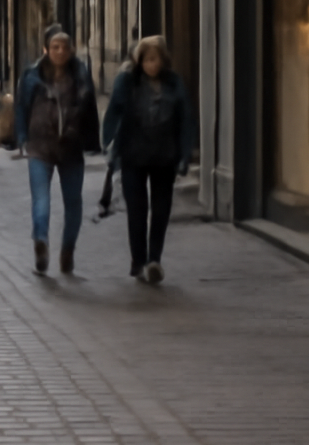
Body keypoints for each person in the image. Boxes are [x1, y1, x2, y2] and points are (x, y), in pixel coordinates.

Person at [102, 36, 197, 284]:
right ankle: (138, 260)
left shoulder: (174, 83)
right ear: (139, 60)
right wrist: (107, 141)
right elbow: (114, 109)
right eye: (146, 59)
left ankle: (154, 260)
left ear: (164, 60)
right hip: (133, 155)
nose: (151, 64)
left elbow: (186, 119)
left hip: (164, 155)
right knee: (137, 209)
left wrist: (185, 154)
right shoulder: (127, 81)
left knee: (161, 210)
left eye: (155, 59)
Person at [15, 28, 100, 275]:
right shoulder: (32, 76)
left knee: (73, 202)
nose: (60, 51)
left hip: (71, 147)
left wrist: (90, 140)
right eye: (55, 47)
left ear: (72, 50)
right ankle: (40, 241)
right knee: (41, 199)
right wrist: (21, 137)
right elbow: (22, 107)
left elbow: (90, 110)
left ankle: (67, 251)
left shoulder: (81, 77)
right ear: (46, 49)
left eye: (65, 47)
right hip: (39, 145)